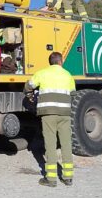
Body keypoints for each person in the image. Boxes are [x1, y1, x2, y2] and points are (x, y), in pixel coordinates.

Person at [24, 52, 75, 187]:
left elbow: (28, 86)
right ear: (61, 61)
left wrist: (30, 95)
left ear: (50, 62)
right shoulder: (68, 75)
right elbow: (73, 93)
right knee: (66, 143)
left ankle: (51, 179)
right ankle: (68, 177)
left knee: (50, 144)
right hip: (64, 114)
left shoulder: (42, 73)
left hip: (48, 114)